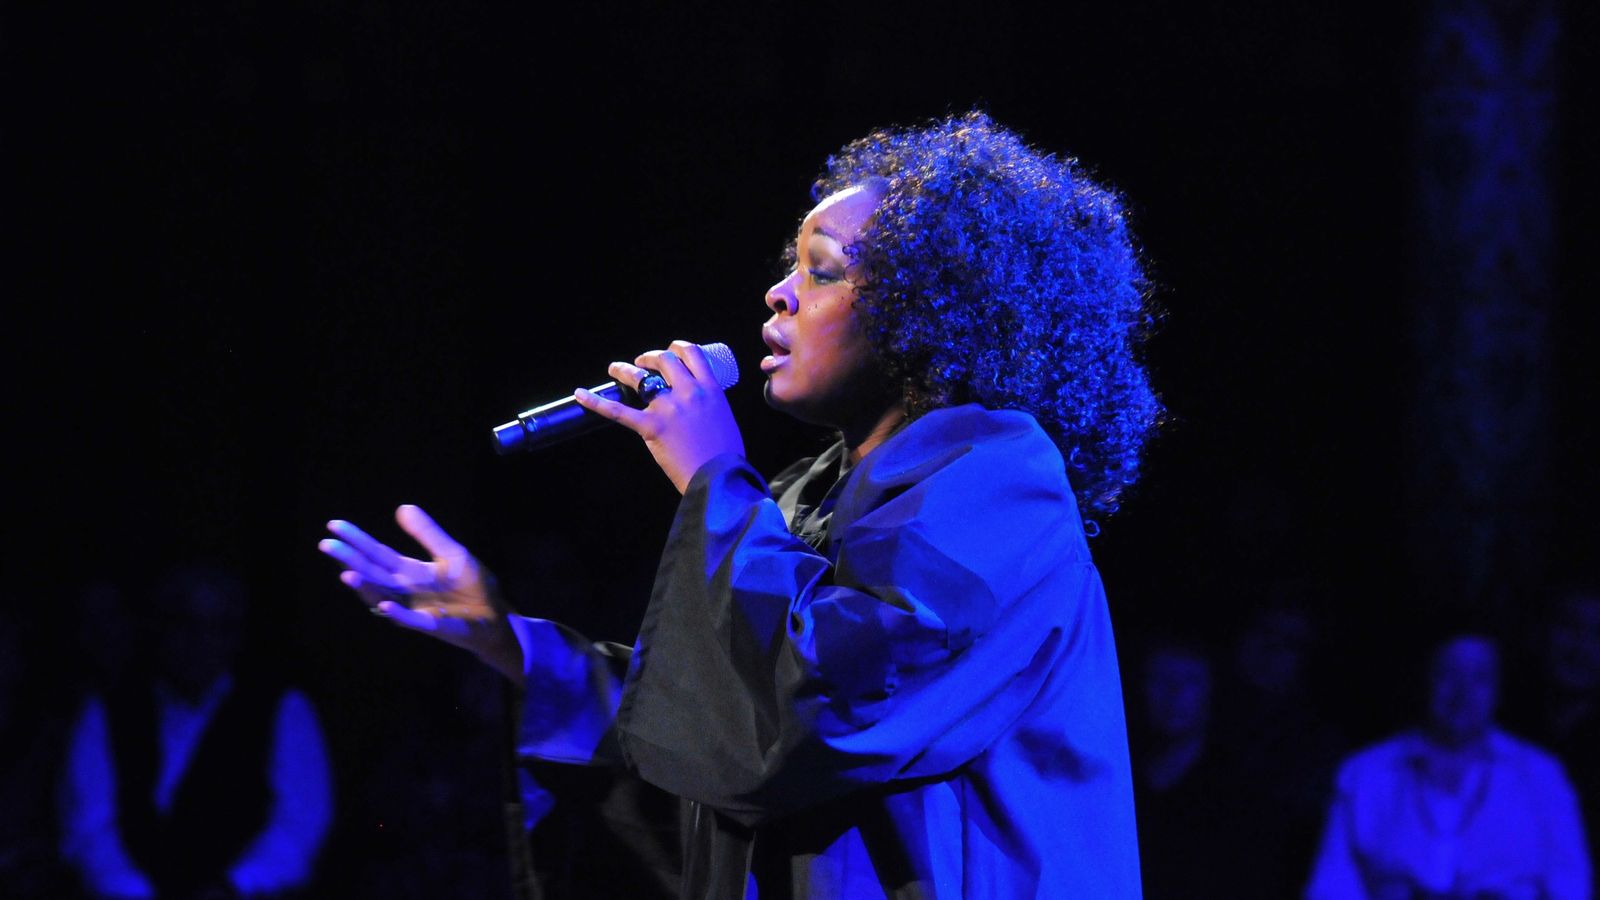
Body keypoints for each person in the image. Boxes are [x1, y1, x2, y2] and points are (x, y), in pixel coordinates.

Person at [320, 111, 1161, 897]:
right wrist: (510, 643)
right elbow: (708, 736)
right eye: (790, 267)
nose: (779, 293)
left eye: (821, 270)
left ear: (934, 309)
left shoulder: (1003, 482)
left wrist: (714, 475)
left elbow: (825, 703)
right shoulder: (801, 496)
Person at [59, 562, 334, 899]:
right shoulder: (110, 707)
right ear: (159, 627)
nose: (199, 641)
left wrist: (234, 887)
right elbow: (90, 825)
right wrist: (130, 890)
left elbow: (299, 824)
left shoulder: (282, 708)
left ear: (235, 636)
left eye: (216, 627)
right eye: (184, 624)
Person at [1306, 631, 1591, 899]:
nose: (1463, 693)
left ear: (1498, 688)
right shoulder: (1367, 773)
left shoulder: (1540, 777)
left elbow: (1572, 887)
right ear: (1425, 678)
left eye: (1479, 678)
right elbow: (1331, 887)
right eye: (1448, 674)